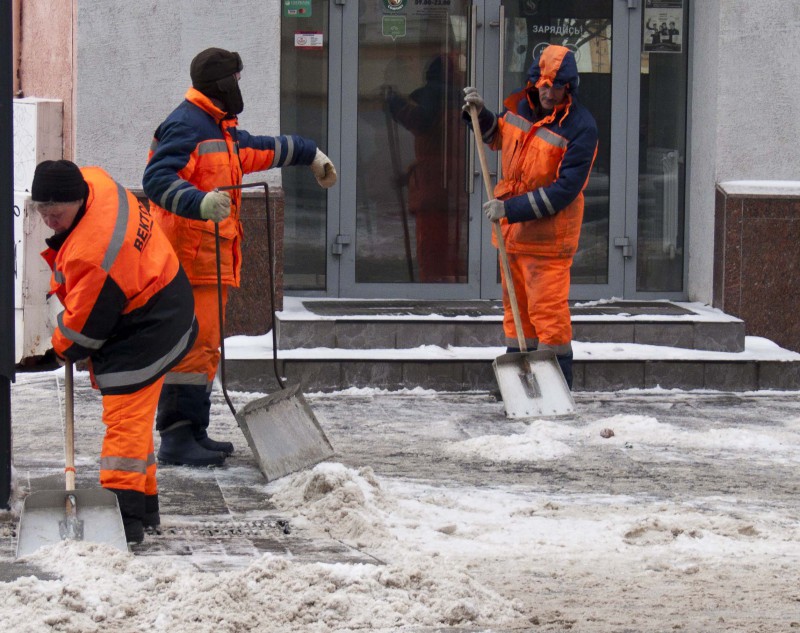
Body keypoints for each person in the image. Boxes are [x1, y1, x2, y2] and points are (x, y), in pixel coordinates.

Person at [143, 47, 337, 467]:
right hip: (189, 259)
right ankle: (177, 436)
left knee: (207, 347)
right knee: (192, 349)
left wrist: (309, 152)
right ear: (222, 84)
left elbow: (258, 150)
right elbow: (157, 178)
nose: (240, 87)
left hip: (211, 259)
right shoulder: (186, 124)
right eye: (237, 79)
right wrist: (198, 203)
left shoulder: (219, 128)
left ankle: (195, 430)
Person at [31, 159, 198, 544]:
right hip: (163, 296)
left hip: (148, 330)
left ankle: (123, 522)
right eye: (42, 210)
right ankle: (146, 508)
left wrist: (54, 352)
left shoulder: (94, 252)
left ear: (77, 200)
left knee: (123, 425)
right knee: (136, 423)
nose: (49, 220)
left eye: (56, 212)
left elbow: (82, 334)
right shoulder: (95, 180)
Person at [462, 44, 598, 388]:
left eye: (557, 87)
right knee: (516, 316)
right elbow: (497, 139)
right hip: (512, 238)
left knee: (549, 319)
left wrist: (511, 208)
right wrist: (480, 115)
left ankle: (556, 390)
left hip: (549, 243)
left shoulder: (581, 128)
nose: (549, 93)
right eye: (544, 85)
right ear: (533, 82)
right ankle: (522, 387)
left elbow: (565, 190)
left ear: (570, 87)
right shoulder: (521, 108)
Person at [383, 54, 468, 283]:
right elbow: (440, 151)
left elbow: (419, 121)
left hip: (433, 190)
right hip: (454, 186)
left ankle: (434, 289)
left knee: (432, 248)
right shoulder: (460, 102)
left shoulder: (434, 98)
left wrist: (394, 103)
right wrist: (409, 174)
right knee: (452, 246)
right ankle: (452, 284)